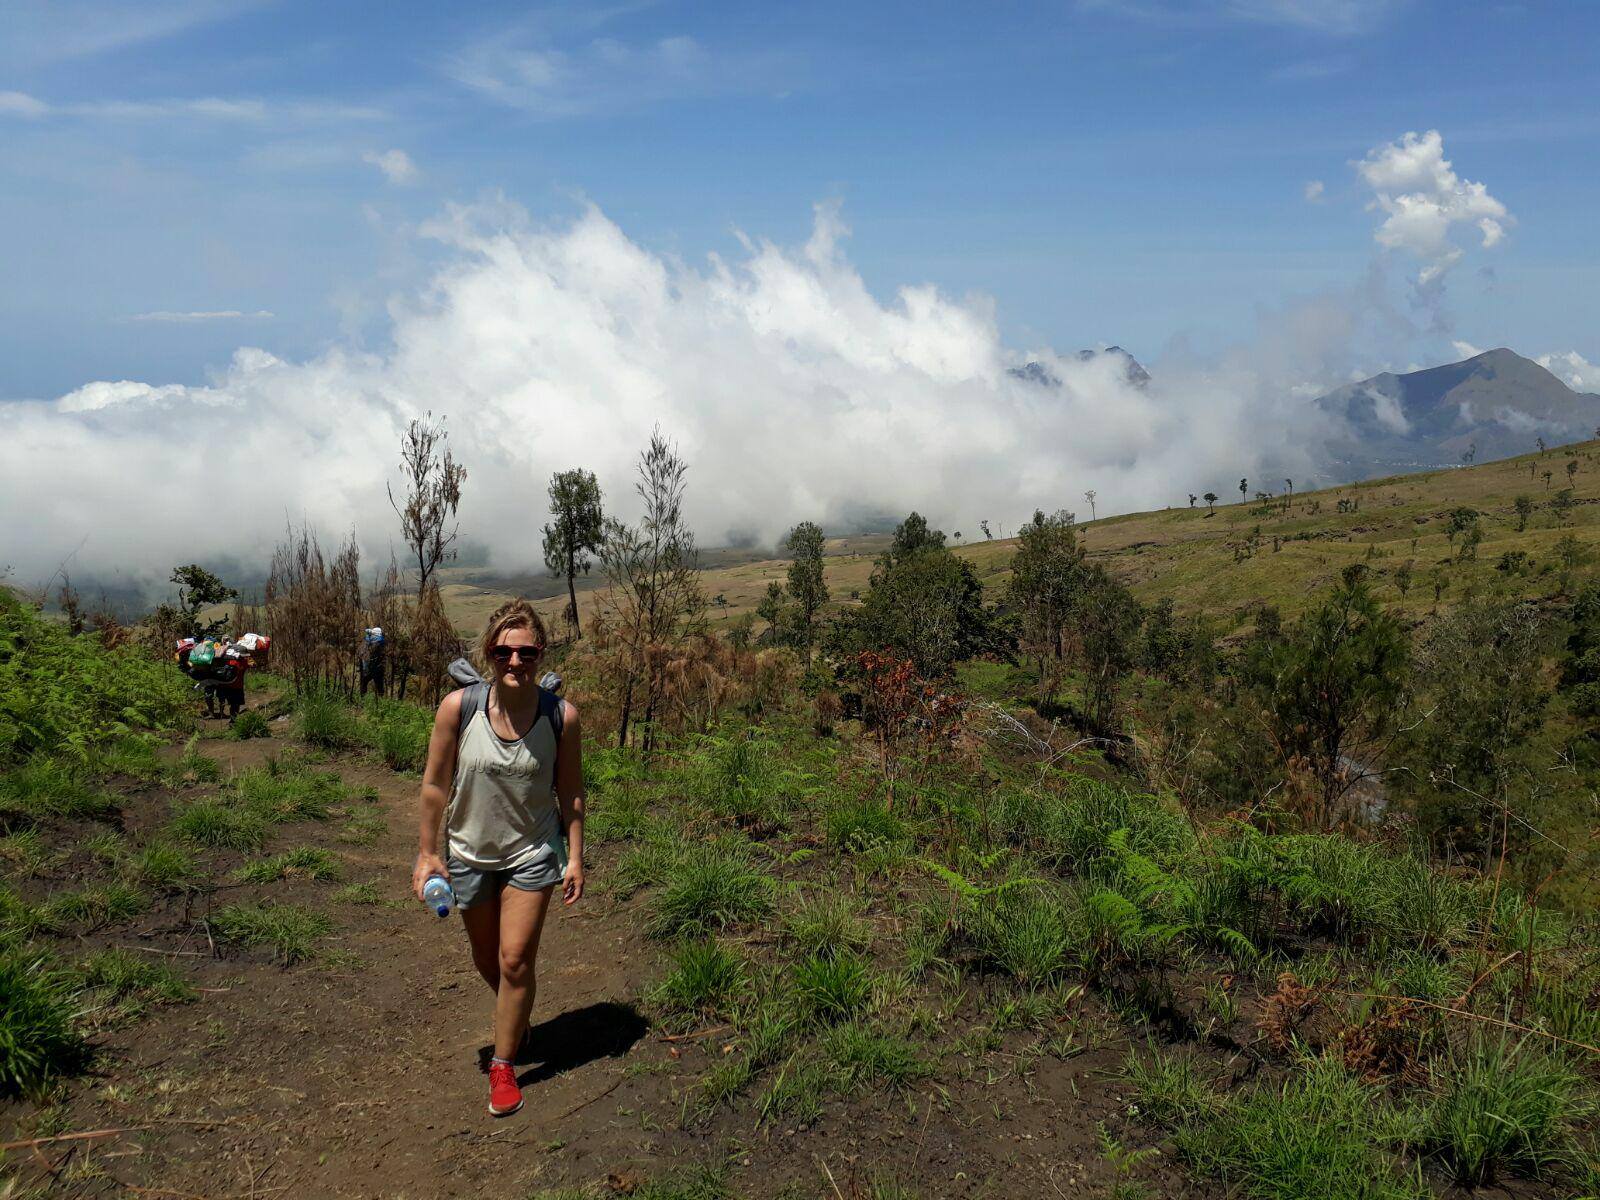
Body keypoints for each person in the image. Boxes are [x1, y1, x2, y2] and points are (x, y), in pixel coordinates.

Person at [411, 598, 585, 1118]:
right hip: (468, 853)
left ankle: (505, 1064)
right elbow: (435, 785)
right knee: (487, 960)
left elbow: (571, 793)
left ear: (540, 653)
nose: (516, 662)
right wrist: (427, 853)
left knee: (514, 959)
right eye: (504, 652)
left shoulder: (561, 718)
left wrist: (575, 856)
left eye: (527, 652)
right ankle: (520, 1013)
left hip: (532, 853)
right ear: (489, 653)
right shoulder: (457, 708)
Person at [359, 627, 387, 698]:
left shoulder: (367, 641)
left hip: (367, 667)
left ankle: (362, 699)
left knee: (364, 683)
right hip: (377, 668)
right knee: (380, 688)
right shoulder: (381, 643)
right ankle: (380, 703)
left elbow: (361, 653)